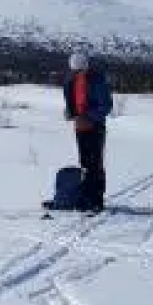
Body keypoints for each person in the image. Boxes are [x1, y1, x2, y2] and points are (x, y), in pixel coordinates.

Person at [62, 52, 113, 212]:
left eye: (79, 70)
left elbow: (106, 105)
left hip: (95, 126)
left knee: (95, 163)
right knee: (84, 163)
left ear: (86, 66)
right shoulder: (71, 80)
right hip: (80, 126)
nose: (77, 73)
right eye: (75, 70)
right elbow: (73, 101)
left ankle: (96, 200)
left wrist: (89, 117)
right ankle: (86, 197)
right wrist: (69, 113)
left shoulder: (97, 80)